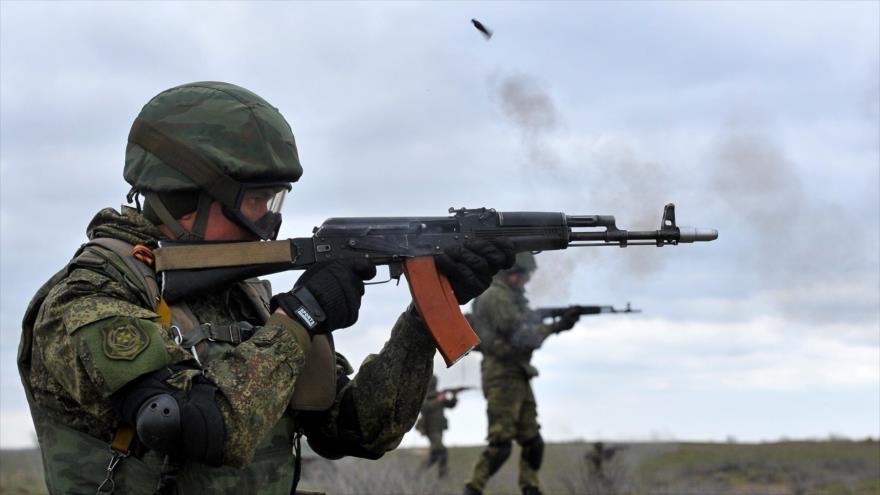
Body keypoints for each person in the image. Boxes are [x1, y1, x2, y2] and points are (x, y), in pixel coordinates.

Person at [17, 81, 515, 495]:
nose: (270, 220)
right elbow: (199, 427)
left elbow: (357, 428)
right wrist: (300, 316)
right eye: (256, 200)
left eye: (275, 200)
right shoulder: (87, 299)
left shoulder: (246, 296)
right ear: (184, 197)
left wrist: (425, 318)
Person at [463, 253, 581, 495]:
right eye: (525, 276)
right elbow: (522, 337)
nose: (526, 282)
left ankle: (530, 488)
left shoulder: (510, 297)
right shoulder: (496, 296)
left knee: (532, 441)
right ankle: (472, 489)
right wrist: (557, 326)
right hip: (502, 375)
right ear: (513, 273)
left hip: (518, 373)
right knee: (501, 444)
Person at [415, 375, 459, 477]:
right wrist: (438, 400)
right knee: (442, 450)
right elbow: (424, 408)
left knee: (435, 454)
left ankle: (418, 475)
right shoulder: (424, 396)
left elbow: (450, 405)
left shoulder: (439, 395)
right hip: (430, 429)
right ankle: (442, 476)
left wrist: (454, 396)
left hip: (439, 428)